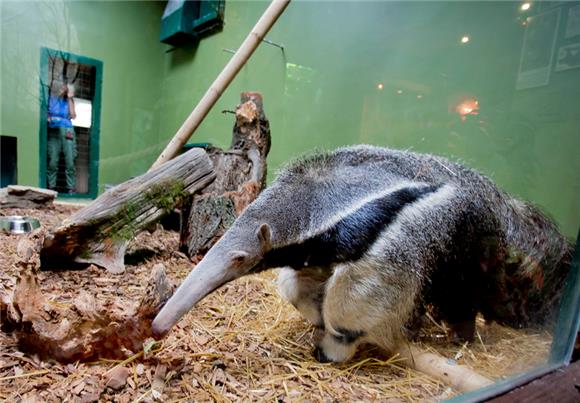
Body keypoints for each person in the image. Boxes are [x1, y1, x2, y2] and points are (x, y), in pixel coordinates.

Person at [47, 82, 77, 193]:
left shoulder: (68, 101)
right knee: (53, 161)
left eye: (66, 87)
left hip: (67, 130)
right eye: (62, 87)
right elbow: (47, 113)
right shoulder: (50, 98)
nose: (63, 89)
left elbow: (73, 115)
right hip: (54, 130)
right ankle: (51, 186)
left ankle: (71, 188)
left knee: (70, 160)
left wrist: (70, 98)